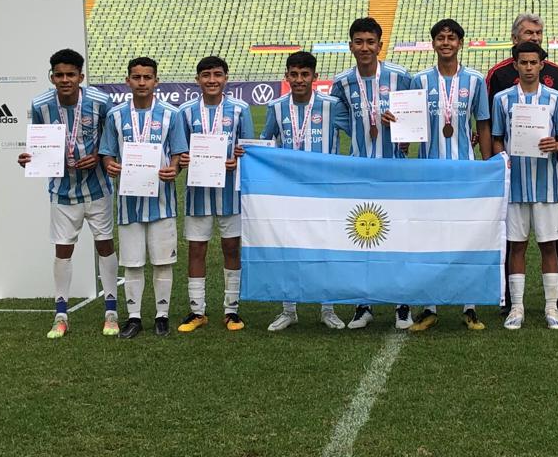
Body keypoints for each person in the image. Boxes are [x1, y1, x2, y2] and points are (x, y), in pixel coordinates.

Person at [392, 19, 492, 332]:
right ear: (433, 43)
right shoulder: (420, 80)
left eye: (451, 38)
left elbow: (483, 124)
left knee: (467, 237)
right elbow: (409, 123)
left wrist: (487, 164)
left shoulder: (475, 80)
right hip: (429, 171)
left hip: (465, 171)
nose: (446, 42)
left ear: (460, 43)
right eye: (440, 38)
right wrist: (400, 132)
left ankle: (470, 307)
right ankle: (430, 307)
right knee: (429, 238)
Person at [17, 48, 118, 339]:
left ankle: (111, 311)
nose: (65, 80)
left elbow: (112, 141)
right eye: (59, 75)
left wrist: (99, 156)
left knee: (105, 245)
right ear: (52, 77)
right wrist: (29, 158)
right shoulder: (40, 105)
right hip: (62, 191)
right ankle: (61, 315)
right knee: (63, 249)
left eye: (70, 74)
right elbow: (39, 144)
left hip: (98, 188)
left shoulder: (100, 101)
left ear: (80, 77)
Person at [486, 13, 558, 316]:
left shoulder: (556, 95)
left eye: (533, 62)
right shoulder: (501, 93)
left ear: (540, 64)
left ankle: (553, 304)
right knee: (516, 244)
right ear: (516, 63)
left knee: (551, 243)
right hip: (514, 184)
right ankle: (515, 306)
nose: (528, 66)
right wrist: (501, 163)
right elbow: (496, 135)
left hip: (546, 184)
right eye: (523, 62)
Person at [331, 17, 414, 330]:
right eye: (359, 42)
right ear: (350, 45)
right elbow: (337, 118)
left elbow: (415, 120)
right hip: (359, 171)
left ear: (380, 45)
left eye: (370, 42)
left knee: (397, 237)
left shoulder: (401, 77)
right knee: (362, 237)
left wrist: (402, 127)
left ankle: (402, 304)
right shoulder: (342, 82)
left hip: (394, 169)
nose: (364, 47)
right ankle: (362, 305)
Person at [262, 51, 353, 331]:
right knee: (289, 249)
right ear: (286, 76)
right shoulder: (276, 107)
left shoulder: (331, 106)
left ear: (314, 76)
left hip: (325, 192)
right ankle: (289, 309)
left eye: (305, 74)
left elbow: (359, 132)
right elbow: (265, 144)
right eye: (294, 74)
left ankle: (328, 308)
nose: (299, 79)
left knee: (326, 248)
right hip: (289, 192)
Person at [99, 57, 188, 339]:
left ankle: (162, 316)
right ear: (128, 80)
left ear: (156, 81)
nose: (141, 82)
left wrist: (174, 168)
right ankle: (134, 317)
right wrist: (110, 165)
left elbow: (178, 153)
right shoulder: (115, 115)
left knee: (163, 262)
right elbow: (107, 152)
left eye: (147, 77)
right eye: (136, 77)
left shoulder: (171, 114)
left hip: (162, 202)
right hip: (129, 203)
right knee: (132, 262)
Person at [175, 57, 255, 334]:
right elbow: (179, 151)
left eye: (217, 75)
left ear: (226, 78)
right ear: (197, 79)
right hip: (198, 194)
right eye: (206, 75)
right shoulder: (185, 111)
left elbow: (249, 149)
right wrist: (183, 158)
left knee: (231, 248)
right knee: (197, 249)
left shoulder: (241, 109)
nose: (212, 80)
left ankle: (231, 310)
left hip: (231, 193)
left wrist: (238, 160)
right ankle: (197, 311)